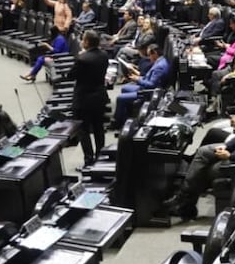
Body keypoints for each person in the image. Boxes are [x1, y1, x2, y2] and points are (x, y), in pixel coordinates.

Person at [167, 92, 235, 219]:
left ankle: (184, 202)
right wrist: (227, 147)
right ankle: (184, 199)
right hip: (234, 152)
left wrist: (229, 156)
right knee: (203, 151)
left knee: (204, 170)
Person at [68, 30, 109, 166]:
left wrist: (79, 56)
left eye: (82, 39)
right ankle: (101, 157)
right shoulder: (104, 55)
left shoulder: (82, 59)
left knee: (83, 130)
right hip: (99, 97)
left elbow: (71, 76)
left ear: (86, 42)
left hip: (83, 100)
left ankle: (89, 160)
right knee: (98, 127)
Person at [112, 44, 171, 128]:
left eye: (149, 55)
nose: (149, 57)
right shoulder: (160, 61)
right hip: (146, 87)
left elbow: (151, 85)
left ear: (154, 53)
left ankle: (116, 123)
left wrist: (138, 80)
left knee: (120, 98)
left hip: (148, 92)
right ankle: (126, 117)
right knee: (125, 88)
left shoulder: (160, 67)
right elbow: (149, 78)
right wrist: (138, 77)